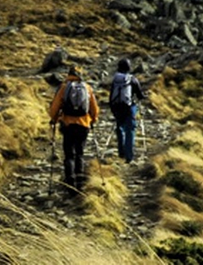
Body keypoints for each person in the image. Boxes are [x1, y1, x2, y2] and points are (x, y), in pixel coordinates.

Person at [49, 65, 99, 195]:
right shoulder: (87, 87)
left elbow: (55, 106)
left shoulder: (64, 88)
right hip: (83, 125)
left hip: (68, 124)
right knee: (80, 153)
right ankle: (80, 182)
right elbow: (94, 108)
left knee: (69, 154)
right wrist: (93, 120)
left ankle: (70, 183)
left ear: (69, 74)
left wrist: (54, 119)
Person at [109, 58, 146, 164]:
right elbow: (140, 95)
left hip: (117, 107)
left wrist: (112, 108)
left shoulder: (115, 79)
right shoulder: (132, 79)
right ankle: (129, 156)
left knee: (119, 128)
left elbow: (111, 95)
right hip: (128, 108)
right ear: (129, 68)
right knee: (130, 130)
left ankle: (121, 152)